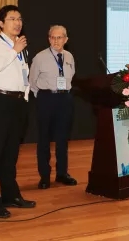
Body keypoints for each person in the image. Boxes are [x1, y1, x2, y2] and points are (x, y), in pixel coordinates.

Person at [0, 5, 36, 218]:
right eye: (12, 18)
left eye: (19, 18)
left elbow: (23, 75)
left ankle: (10, 195)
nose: (18, 22)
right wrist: (14, 50)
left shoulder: (21, 47)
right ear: (1, 23)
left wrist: (26, 97)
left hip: (18, 103)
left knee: (11, 153)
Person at [29, 25, 78, 189]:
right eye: (53, 37)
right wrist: (43, 96)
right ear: (49, 39)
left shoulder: (69, 56)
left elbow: (71, 76)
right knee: (44, 138)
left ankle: (62, 173)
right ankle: (44, 176)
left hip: (65, 99)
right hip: (46, 98)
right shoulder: (40, 57)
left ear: (66, 39)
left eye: (59, 37)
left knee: (62, 139)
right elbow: (32, 81)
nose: (56, 41)